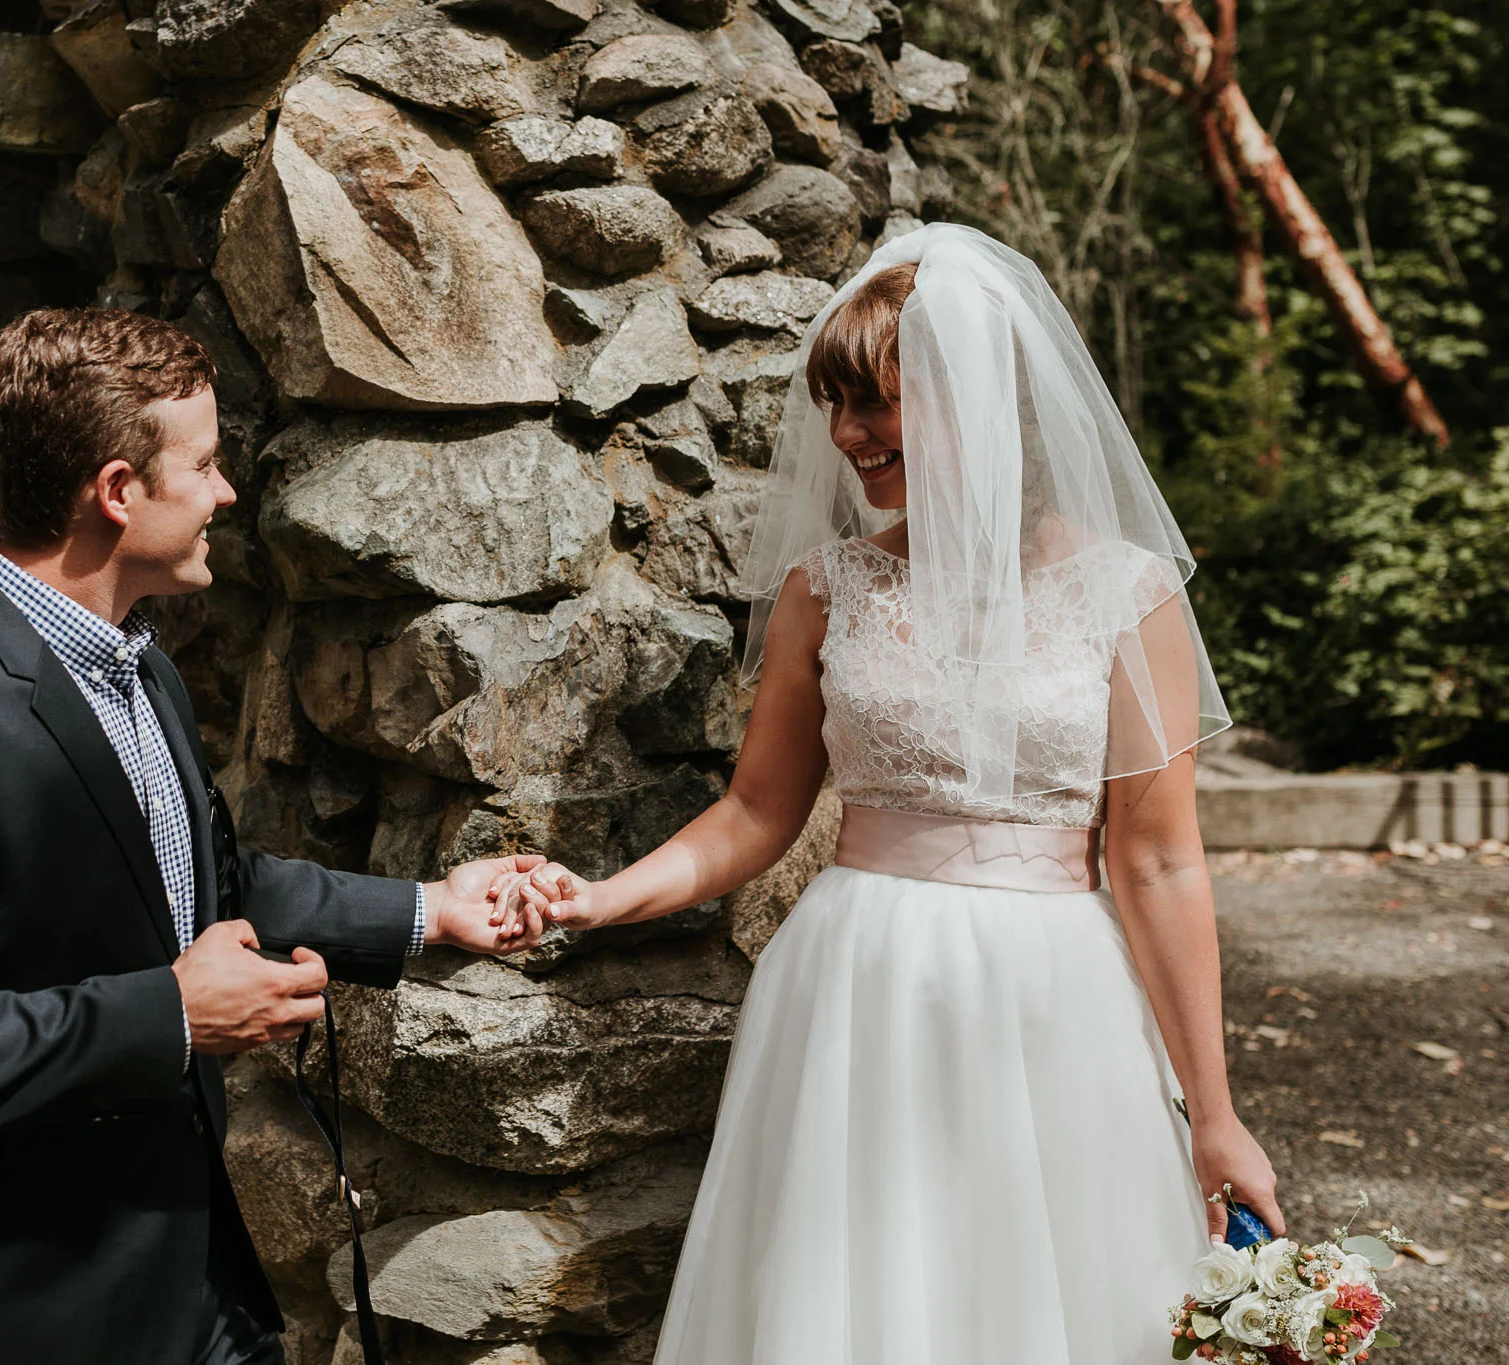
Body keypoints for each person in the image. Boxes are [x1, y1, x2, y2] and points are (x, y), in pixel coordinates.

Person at [503, 225, 1285, 1363]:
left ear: (978, 401)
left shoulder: (1127, 595)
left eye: (875, 401)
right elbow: (755, 814)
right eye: (833, 402)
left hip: (1052, 1000)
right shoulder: (829, 590)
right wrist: (599, 898)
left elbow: (1159, 860)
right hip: (854, 990)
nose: (844, 436)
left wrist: (1213, 1117)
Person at [0, 308, 546, 1365]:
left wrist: (431, 910)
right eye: (203, 465)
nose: (227, 493)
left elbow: (201, 887)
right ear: (115, 491)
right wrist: (170, 1015)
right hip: (17, 1322)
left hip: (188, 1296)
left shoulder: (137, 663)